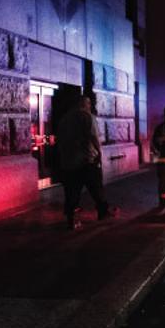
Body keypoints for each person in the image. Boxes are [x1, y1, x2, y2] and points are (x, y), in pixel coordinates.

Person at [56, 95, 118, 230]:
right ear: (84, 104)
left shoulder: (64, 119)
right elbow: (93, 136)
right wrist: (99, 152)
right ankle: (103, 211)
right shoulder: (87, 117)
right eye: (89, 103)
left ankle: (71, 219)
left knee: (72, 190)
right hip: (87, 159)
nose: (90, 106)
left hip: (69, 161)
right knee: (96, 187)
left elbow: (60, 140)